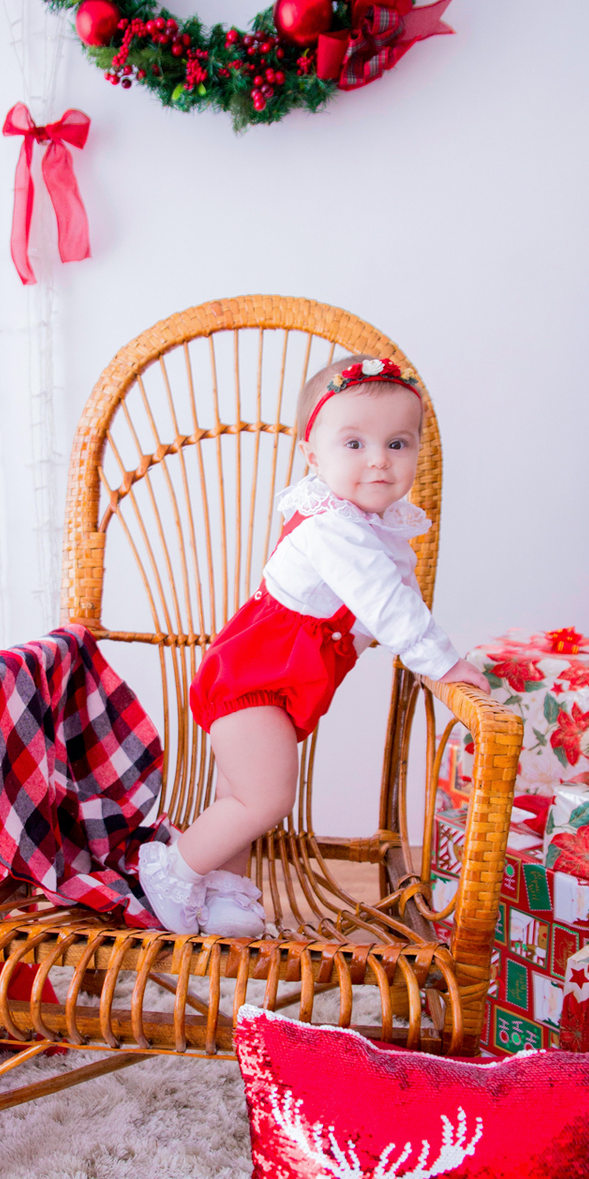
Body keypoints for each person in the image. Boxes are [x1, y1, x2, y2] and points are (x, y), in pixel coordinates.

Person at [138, 355, 487, 936]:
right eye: (354, 443)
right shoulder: (333, 527)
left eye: (398, 444)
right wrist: (444, 663)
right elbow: (387, 603)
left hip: (280, 681)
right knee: (266, 797)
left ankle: (225, 892)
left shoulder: (375, 526)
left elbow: (389, 599)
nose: (378, 459)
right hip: (249, 680)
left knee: (239, 793)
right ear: (313, 456)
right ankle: (171, 870)